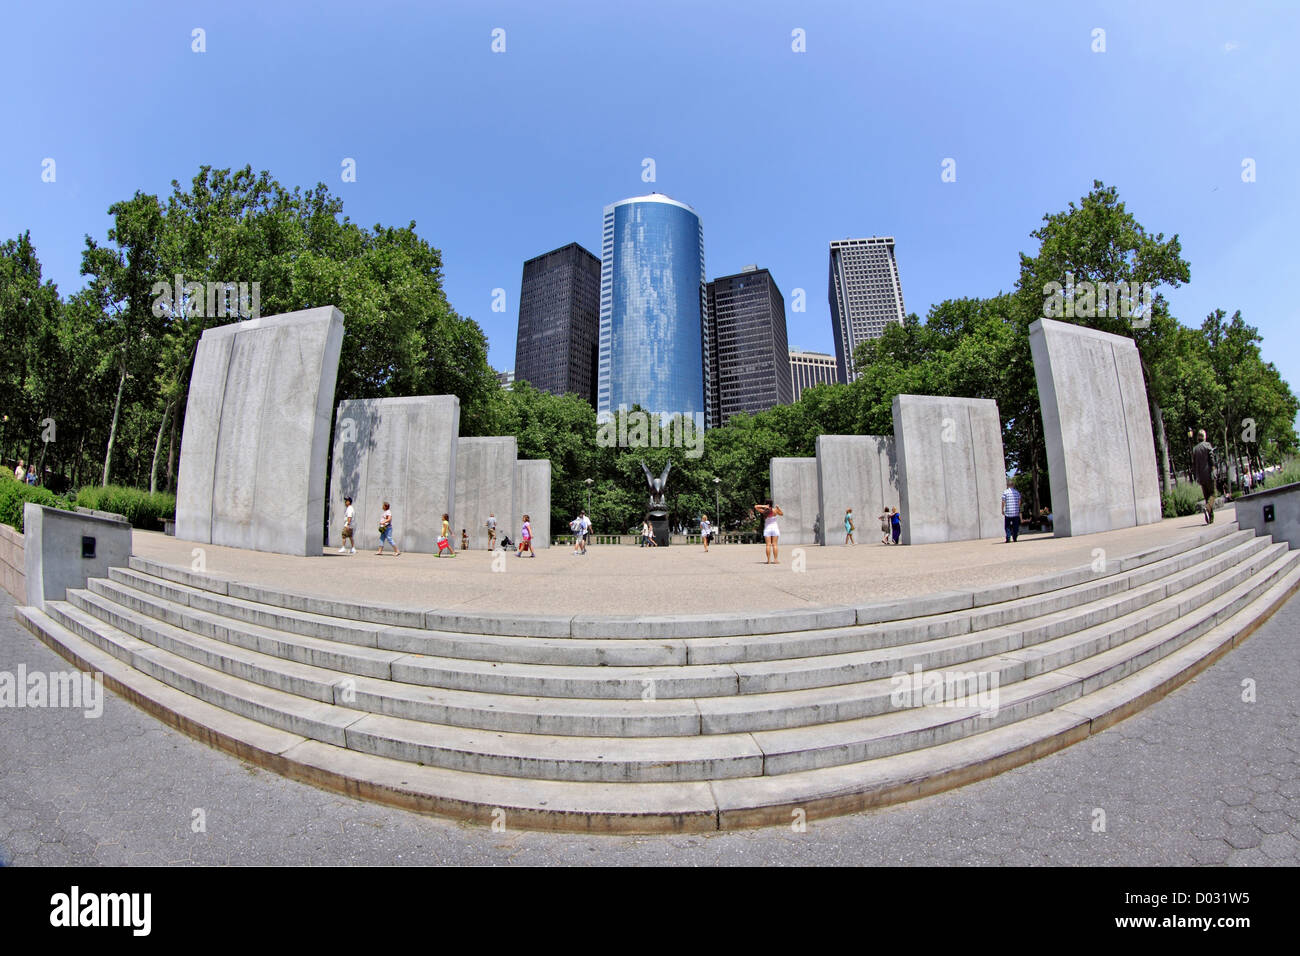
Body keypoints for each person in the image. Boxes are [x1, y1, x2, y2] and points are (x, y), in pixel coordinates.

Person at [1191, 430, 1217, 524]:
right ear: (1204, 437)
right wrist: (1213, 468)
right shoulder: (1207, 445)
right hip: (1209, 475)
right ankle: (1207, 508)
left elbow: (1194, 464)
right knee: (1213, 494)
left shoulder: (1195, 449)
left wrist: (1196, 476)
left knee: (1207, 497)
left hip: (1201, 477)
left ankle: (1210, 518)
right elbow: (1211, 458)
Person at [1001, 478, 1022, 543]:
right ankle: (1015, 537)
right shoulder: (1017, 492)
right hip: (1015, 512)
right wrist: (1018, 509)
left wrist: (1002, 509)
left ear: (1007, 485)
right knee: (1015, 526)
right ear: (1013, 485)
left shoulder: (1005, 492)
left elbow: (1003, 501)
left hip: (1008, 512)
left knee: (1007, 526)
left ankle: (1008, 537)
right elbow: (1019, 502)